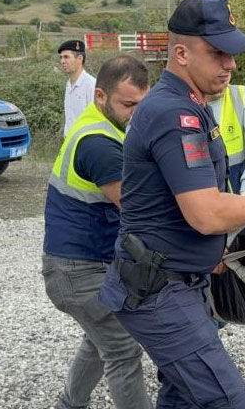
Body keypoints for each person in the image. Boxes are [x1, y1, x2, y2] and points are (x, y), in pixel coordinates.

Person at [98, 0, 245, 409]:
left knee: (183, 397)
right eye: (218, 52)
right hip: (158, 290)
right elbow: (205, 213)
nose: (230, 64)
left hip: (179, 280)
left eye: (232, 53)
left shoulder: (191, 104)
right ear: (182, 53)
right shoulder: (175, 113)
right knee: (225, 399)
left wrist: (212, 252)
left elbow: (182, 203)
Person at [43, 55, 153, 409]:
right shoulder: (98, 143)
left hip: (84, 265)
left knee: (99, 338)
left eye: (141, 104)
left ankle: (69, 404)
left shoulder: (105, 129)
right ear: (100, 96)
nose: (135, 113)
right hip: (77, 271)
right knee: (122, 348)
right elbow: (141, 211)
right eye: (128, 104)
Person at [59, 39, 96, 136]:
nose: (62, 61)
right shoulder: (68, 85)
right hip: (69, 141)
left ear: (79, 59)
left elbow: (95, 120)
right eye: (61, 57)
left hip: (85, 142)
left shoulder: (91, 85)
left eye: (66, 57)